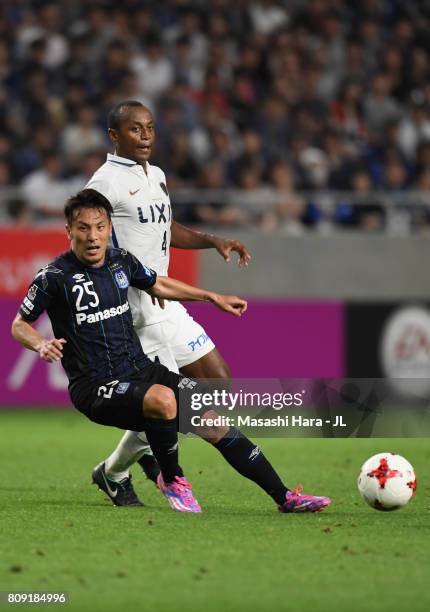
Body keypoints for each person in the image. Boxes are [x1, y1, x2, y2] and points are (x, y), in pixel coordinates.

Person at [11, 189, 331, 514]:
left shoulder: (121, 261)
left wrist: (211, 297)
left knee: (213, 422)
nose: (92, 236)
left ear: (109, 228)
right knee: (163, 400)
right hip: (95, 386)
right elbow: (19, 324)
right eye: (83, 228)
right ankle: (172, 478)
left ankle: (285, 497)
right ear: (69, 231)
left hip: (138, 368)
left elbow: (159, 284)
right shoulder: (53, 277)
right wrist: (40, 343)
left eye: (100, 226)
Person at [85, 99, 251, 506]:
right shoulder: (103, 184)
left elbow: (165, 225)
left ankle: (117, 466)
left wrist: (212, 241)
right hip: (137, 310)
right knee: (177, 406)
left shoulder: (154, 174)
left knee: (217, 381)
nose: (145, 136)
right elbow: (85, 235)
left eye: (150, 128)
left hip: (168, 305)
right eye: (135, 129)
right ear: (114, 136)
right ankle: (117, 471)